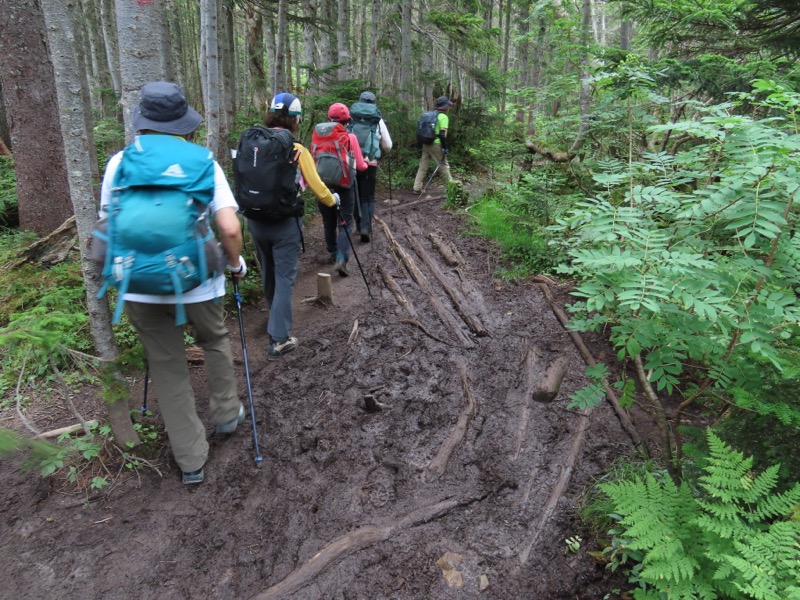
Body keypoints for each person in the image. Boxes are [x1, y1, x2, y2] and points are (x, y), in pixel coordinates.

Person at [99, 81, 247, 485]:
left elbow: (109, 223)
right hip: (196, 279)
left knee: (166, 365)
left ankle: (190, 459)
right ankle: (227, 416)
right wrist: (235, 264)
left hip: (136, 282)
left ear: (142, 121)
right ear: (183, 122)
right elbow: (230, 227)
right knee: (215, 340)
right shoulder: (202, 160)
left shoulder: (119, 163)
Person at [245, 92, 339, 358]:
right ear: (294, 118)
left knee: (269, 274)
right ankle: (279, 339)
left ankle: (274, 319)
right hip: (284, 222)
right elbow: (318, 188)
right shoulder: (296, 149)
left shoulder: (255, 142)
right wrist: (333, 200)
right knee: (285, 278)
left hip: (255, 221)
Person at [314, 103, 367, 276]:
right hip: (344, 185)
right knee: (345, 223)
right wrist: (366, 163)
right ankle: (341, 259)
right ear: (347, 120)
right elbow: (359, 165)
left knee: (328, 222)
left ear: (329, 118)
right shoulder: (349, 137)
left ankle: (332, 252)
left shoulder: (318, 136)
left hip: (322, 185)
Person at [349, 91, 393, 243]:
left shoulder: (351, 118)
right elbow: (387, 145)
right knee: (368, 197)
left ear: (359, 101)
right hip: (370, 163)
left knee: (355, 194)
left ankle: (359, 226)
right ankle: (366, 228)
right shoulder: (377, 120)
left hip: (352, 163)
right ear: (374, 103)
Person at [413, 95, 455, 194]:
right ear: (445, 107)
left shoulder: (430, 115)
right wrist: (445, 147)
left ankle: (416, 188)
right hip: (436, 144)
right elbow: (442, 134)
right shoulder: (443, 117)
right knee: (444, 165)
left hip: (426, 144)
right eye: (448, 106)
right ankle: (452, 188)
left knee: (423, 166)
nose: (449, 108)